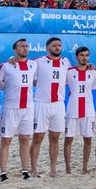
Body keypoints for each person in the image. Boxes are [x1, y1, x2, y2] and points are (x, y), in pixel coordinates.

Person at [0, 38, 36, 181]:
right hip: (11, 107)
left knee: (25, 139)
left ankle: (25, 171)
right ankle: (3, 172)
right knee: (6, 140)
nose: (25, 48)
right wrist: (10, 87)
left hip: (28, 107)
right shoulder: (7, 65)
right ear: (15, 50)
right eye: (21, 46)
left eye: (26, 46)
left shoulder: (33, 65)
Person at [31, 37, 71, 176]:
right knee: (38, 138)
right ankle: (34, 169)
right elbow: (29, 75)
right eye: (54, 45)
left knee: (55, 138)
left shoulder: (66, 62)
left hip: (59, 105)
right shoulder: (38, 62)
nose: (57, 47)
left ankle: (53, 169)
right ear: (47, 48)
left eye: (59, 45)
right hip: (42, 104)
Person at [62, 47, 96, 174]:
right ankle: (68, 168)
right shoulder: (68, 72)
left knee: (88, 139)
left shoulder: (92, 72)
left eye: (87, 55)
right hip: (72, 110)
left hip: (88, 111)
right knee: (68, 139)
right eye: (82, 55)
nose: (84, 57)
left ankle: (84, 167)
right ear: (77, 57)